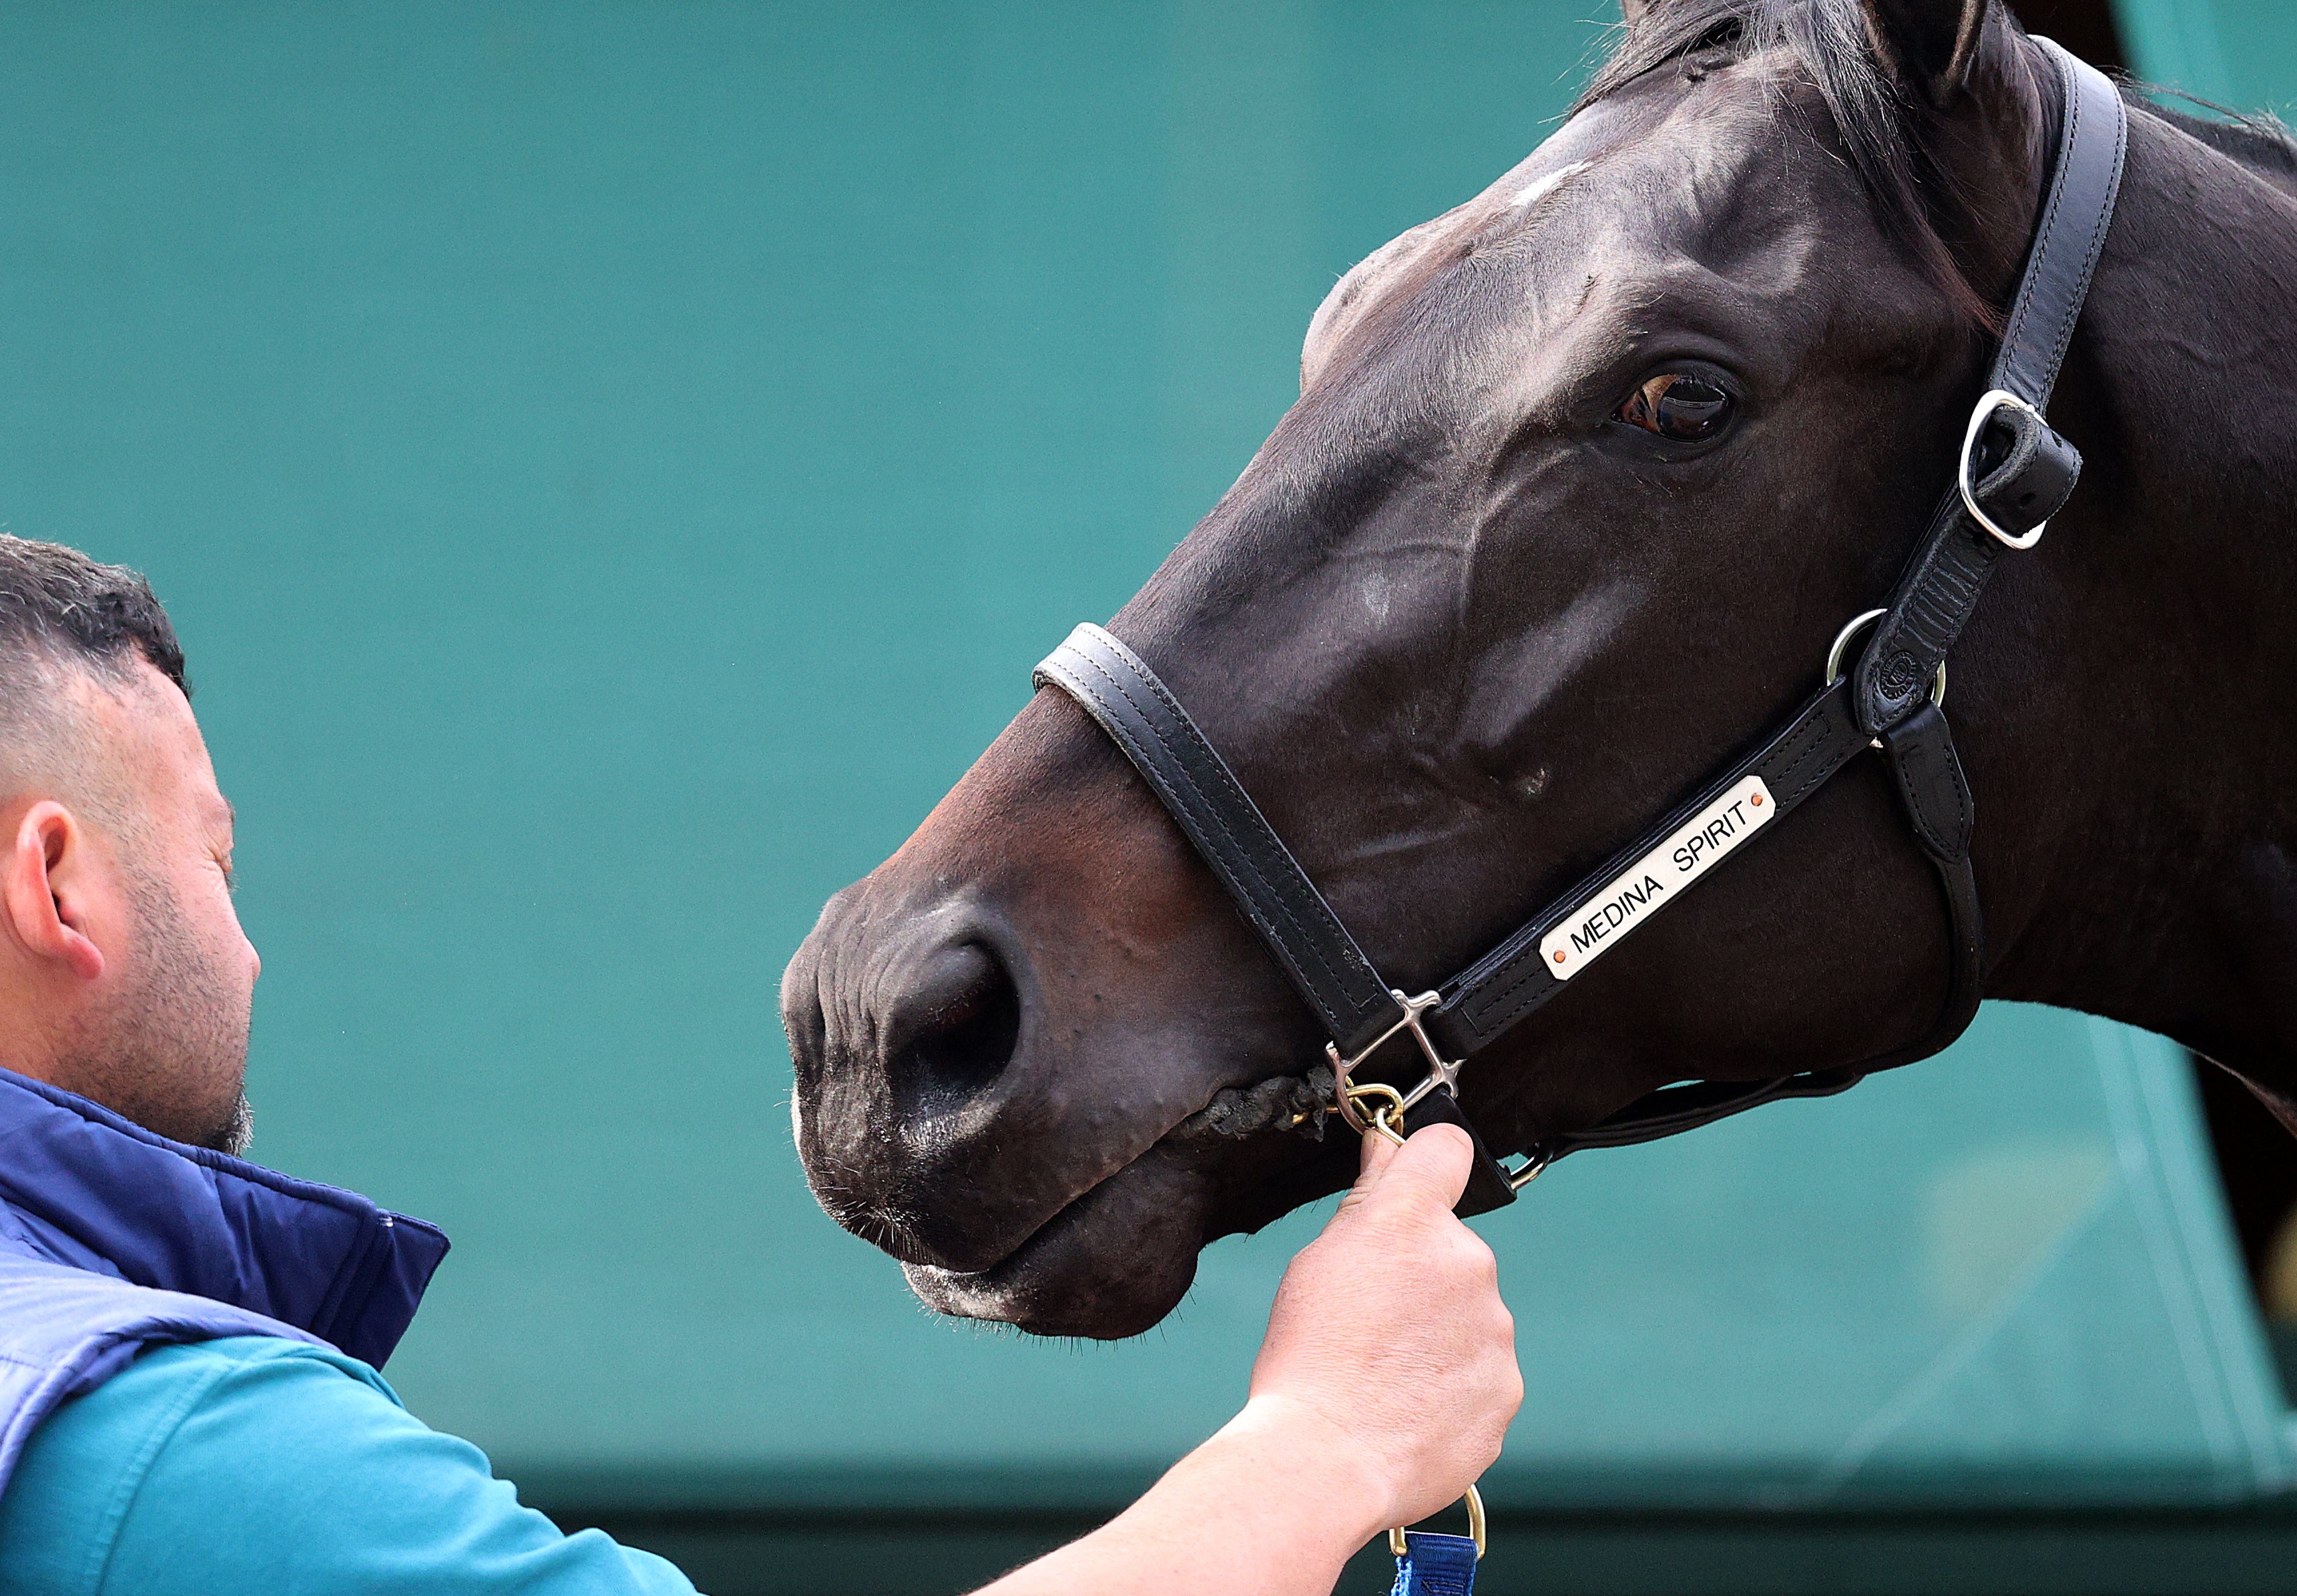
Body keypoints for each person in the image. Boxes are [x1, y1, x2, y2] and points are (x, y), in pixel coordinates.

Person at [0, 534, 1520, 1595]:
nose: (251, 946)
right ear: (57, 884)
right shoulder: (148, 1454)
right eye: (217, 858)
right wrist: (1330, 1440)